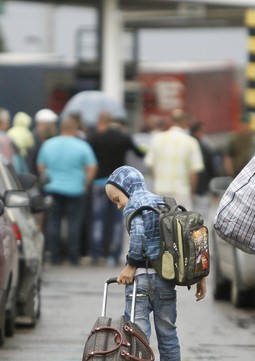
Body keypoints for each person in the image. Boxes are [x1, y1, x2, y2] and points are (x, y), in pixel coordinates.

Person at [108, 165, 206, 361]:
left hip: (140, 282)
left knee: (138, 340)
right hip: (165, 282)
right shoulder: (164, 203)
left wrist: (131, 265)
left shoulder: (135, 204)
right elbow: (187, 242)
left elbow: (139, 234)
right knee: (169, 338)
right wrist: (199, 276)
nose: (118, 204)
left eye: (117, 198)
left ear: (127, 188)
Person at [36, 115, 97, 265]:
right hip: (75, 189)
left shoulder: (48, 144)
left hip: (53, 188)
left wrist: (47, 177)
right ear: (75, 129)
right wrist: (85, 184)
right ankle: (73, 256)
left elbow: (41, 165)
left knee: (53, 222)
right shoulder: (82, 146)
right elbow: (91, 167)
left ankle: (55, 256)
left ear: (61, 128)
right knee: (74, 224)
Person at [87, 111, 145, 265]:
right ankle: (114, 254)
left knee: (97, 219)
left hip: (99, 182)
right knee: (118, 221)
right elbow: (140, 153)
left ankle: (96, 254)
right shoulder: (124, 137)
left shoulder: (95, 138)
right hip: (119, 185)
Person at [143, 109, 204, 210]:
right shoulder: (191, 142)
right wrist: (192, 193)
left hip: (160, 190)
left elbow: (151, 166)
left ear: (171, 121)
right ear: (185, 122)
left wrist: (158, 181)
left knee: (162, 222)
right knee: (182, 222)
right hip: (182, 191)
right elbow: (194, 172)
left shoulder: (157, 139)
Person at [189, 120, 223, 216]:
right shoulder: (204, 147)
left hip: (186, 189)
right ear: (197, 132)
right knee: (201, 218)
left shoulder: (185, 145)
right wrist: (215, 191)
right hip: (201, 190)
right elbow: (212, 168)